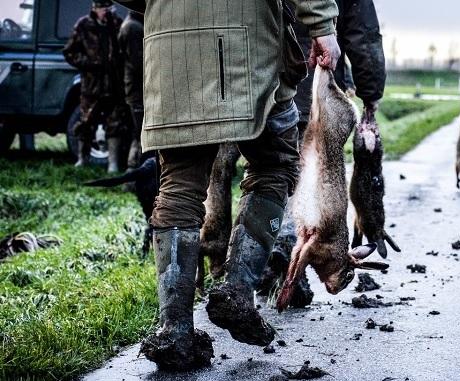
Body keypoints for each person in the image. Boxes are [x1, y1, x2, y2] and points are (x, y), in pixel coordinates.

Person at [112, 0, 340, 370]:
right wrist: (323, 26)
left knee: (178, 187)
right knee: (275, 164)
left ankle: (175, 329)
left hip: (170, 53)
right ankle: (236, 288)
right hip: (246, 49)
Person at [259, 0, 386, 308]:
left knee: (267, 171)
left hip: (262, 79)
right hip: (312, 82)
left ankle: (263, 259)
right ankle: (288, 251)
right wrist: (370, 98)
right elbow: (363, 35)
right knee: (308, 179)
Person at [63, 0, 128, 173]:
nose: (106, 12)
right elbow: (69, 52)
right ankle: (81, 159)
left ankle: (112, 164)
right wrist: (89, 63)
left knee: (115, 123)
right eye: (103, 9)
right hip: (92, 85)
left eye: (109, 8)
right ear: (95, 9)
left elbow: (125, 49)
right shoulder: (84, 25)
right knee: (85, 122)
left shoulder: (117, 23)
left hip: (114, 84)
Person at [117, 10, 145, 170]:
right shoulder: (132, 27)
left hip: (136, 88)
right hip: (137, 89)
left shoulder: (133, 24)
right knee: (139, 133)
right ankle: (133, 171)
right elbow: (138, 62)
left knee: (139, 133)